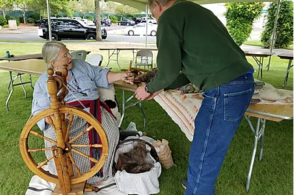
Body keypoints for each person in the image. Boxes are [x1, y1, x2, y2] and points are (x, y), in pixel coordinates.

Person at [135, 0, 255, 195]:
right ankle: (196, 182)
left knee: (204, 155)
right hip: (240, 83)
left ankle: (197, 187)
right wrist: (161, 87)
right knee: (207, 148)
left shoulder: (169, 16)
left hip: (223, 88)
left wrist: (148, 88)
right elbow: (185, 71)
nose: (158, 22)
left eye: (154, 17)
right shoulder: (196, 11)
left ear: (157, 5)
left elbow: (168, 69)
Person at [30, 41, 133, 193]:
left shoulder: (81, 65)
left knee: (109, 132)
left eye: (68, 53)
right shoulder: (44, 82)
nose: (70, 56)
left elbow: (100, 75)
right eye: (65, 56)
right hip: (66, 118)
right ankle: (68, 175)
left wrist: (120, 75)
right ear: (53, 62)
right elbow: (38, 111)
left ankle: (99, 174)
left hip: (93, 111)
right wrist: (53, 119)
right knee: (55, 141)